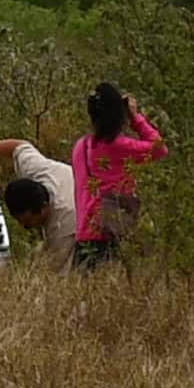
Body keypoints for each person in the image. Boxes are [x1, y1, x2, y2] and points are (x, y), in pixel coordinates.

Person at [68, 80, 159, 269]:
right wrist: (135, 118)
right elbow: (159, 148)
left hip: (84, 234)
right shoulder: (119, 146)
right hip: (111, 233)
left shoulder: (81, 146)